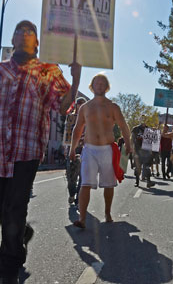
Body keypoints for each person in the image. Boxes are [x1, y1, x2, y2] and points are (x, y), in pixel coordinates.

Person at [0, 20, 81, 284]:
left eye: (30, 32)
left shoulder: (48, 71)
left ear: (37, 42)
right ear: (13, 40)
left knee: (15, 208)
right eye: (20, 31)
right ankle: (22, 235)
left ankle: (8, 271)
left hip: (28, 151)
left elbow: (63, 107)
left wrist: (76, 78)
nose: (25, 35)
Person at [70, 74, 132, 229]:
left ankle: (107, 213)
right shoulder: (85, 107)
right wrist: (72, 148)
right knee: (85, 183)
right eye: (96, 82)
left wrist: (129, 144)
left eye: (102, 83)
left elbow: (124, 127)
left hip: (107, 149)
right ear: (92, 86)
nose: (99, 85)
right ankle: (82, 218)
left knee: (108, 184)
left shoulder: (113, 107)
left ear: (106, 86)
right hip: (89, 149)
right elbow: (77, 129)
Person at [65, 97, 87, 206]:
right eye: (79, 103)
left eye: (83, 103)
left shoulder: (88, 118)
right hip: (72, 148)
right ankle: (72, 194)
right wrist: (67, 148)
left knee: (83, 175)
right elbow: (67, 132)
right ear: (76, 105)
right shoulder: (71, 117)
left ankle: (79, 198)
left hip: (85, 149)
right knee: (71, 175)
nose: (81, 105)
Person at [131, 115, 156, 189]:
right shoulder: (135, 129)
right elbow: (132, 139)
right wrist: (132, 149)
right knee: (137, 167)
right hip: (138, 150)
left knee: (147, 167)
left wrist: (154, 132)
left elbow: (153, 141)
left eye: (144, 119)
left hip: (146, 151)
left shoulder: (149, 129)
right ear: (139, 119)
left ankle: (148, 182)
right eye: (141, 118)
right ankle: (137, 182)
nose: (143, 120)